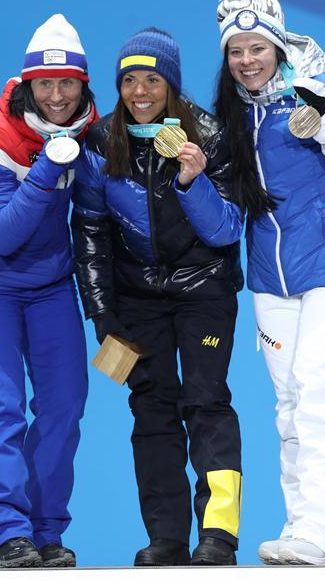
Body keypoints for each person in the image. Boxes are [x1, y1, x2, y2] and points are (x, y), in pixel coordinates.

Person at [214, 0, 325, 566]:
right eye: (235, 50)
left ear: (279, 44)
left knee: (318, 394)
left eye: (256, 46)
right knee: (288, 403)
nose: (247, 60)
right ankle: (300, 528)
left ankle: (323, 533)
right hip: (271, 279)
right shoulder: (233, 111)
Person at [71, 28, 245, 566]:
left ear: (171, 82)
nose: (140, 92)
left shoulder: (211, 137)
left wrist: (194, 181)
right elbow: (91, 230)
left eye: (152, 79)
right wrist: (102, 313)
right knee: (151, 411)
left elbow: (226, 231)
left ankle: (217, 533)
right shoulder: (100, 143)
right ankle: (166, 538)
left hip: (204, 291)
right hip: (137, 298)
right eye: (129, 80)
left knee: (206, 402)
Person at [0, 14, 96, 569]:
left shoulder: (92, 128)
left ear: (83, 85)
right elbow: (4, 236)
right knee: (2, 404)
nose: (57, 96)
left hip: (52, 285)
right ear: (27, 84)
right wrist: (46, 168)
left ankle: (44, 530)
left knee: (64, 406)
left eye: (68, 84)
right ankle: (5, 535)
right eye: (45, 84)